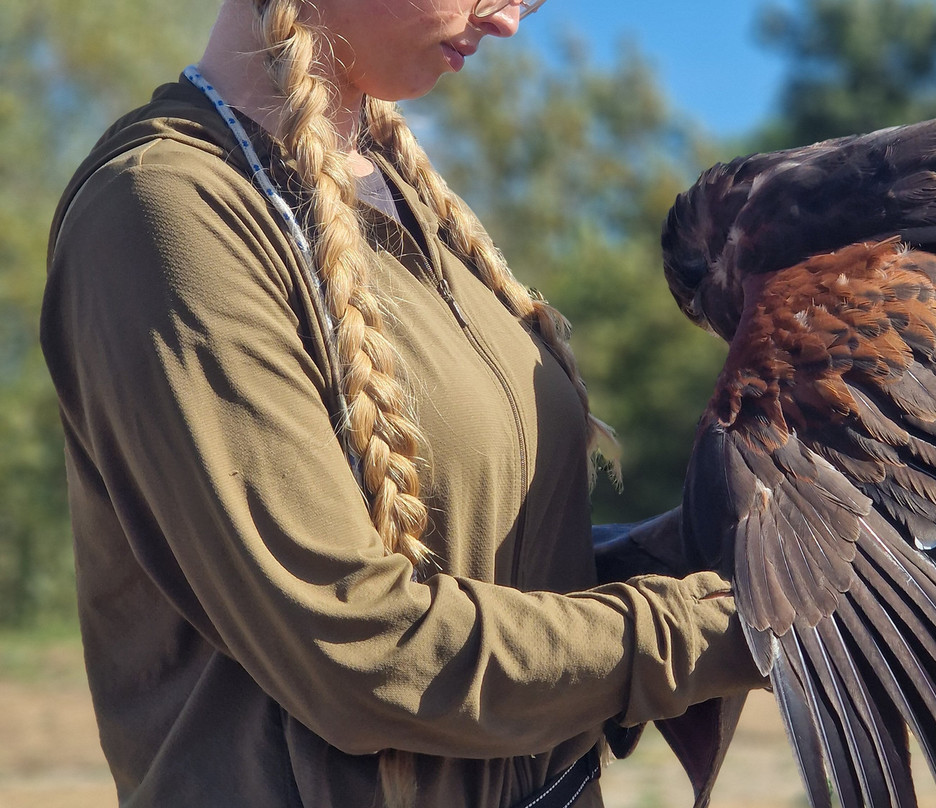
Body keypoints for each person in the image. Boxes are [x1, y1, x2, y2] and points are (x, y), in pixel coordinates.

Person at [39, 0, 764, 806]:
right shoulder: (168, 212)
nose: (508, 22)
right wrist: (744, 628)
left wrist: (768, 554)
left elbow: (486, 562)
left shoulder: (407, 199)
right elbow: (361, 653)